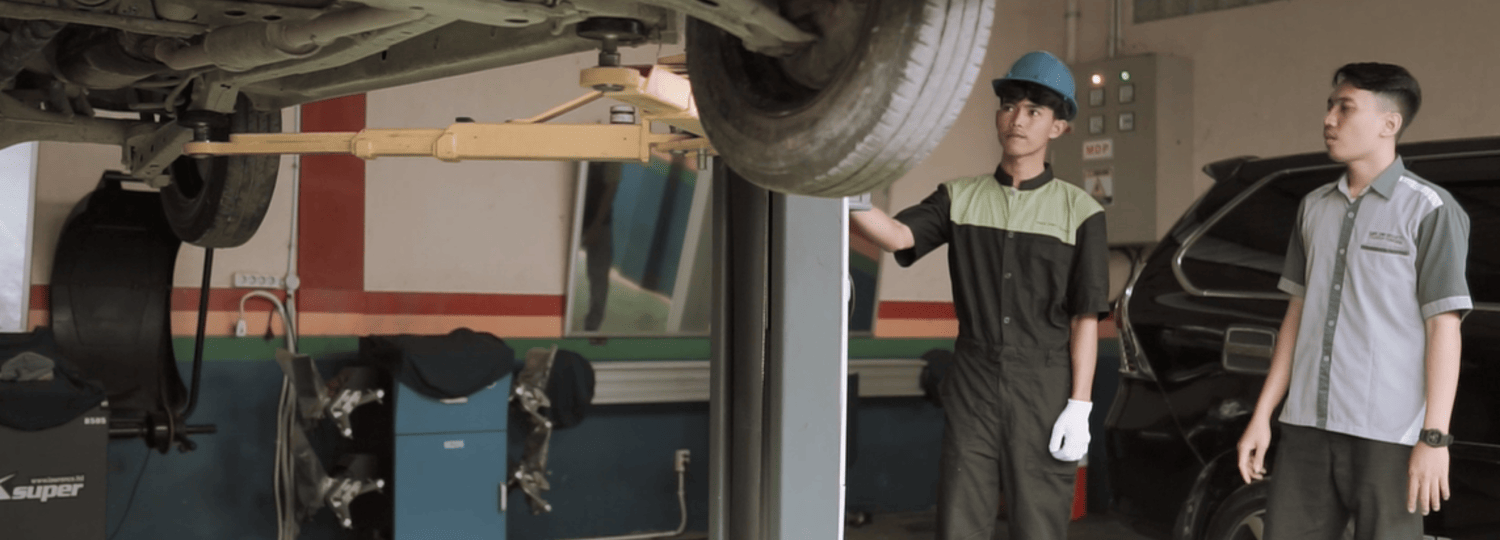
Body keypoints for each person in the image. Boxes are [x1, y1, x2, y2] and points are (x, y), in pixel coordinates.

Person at [850, 50, 1109, 540]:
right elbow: (898, 237)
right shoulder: (959, 197)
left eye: (1034, 110)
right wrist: (848, 196)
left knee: (1038, 523)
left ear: (1058, 127)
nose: (1018, 119)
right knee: (960, 518)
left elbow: (1085, 319)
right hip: (973, 378)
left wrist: (1080, 406)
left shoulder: (1082, 213)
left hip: (1045, 383)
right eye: (1009, 106)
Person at [1235, 62, 1470, 538]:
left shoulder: (1429, 209)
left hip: (1387, 434)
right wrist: (1262, 416)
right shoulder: (1313, 207)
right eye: (1329, 107)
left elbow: (1444, 328)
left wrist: (1434, 438)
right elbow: (1296, 315)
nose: (1329, 119)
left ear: (1389, 123)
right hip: (1306, 425)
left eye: (1345, 108)